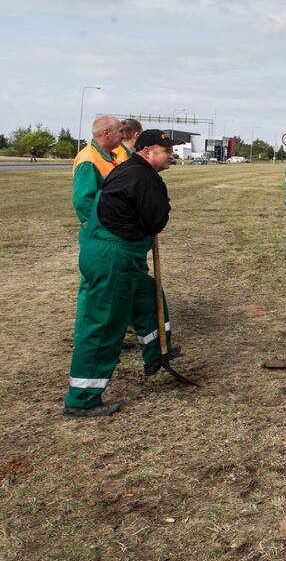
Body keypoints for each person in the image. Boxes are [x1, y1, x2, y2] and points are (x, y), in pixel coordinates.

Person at [63, 130, 182, 418]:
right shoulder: (143, 177)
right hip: (112, 255)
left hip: (116, 252)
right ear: (146, 151)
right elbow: (156, 219)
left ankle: (157, 352)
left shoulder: (130, 169)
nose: (170, 154)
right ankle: (82, 398)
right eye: (165, 149)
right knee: (104, 323)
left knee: (148, 299)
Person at [72, 115, 121, 225]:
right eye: (120, 131)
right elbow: (83, 201)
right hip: (102, 229)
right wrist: (94, 227)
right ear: (107, 133)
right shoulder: (88, 159)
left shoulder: (111, 157)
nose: (123, 135)